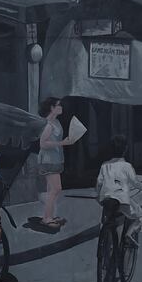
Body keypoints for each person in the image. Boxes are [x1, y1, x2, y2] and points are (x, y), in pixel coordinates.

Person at [96, 135, 142, 246]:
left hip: (106, 199)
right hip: (121, 201)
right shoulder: (127, 166)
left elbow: (99, 184)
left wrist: (98, 197)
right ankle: (128, 234)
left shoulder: (104, 165)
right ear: (125, 150)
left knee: (106, 217)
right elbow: (135, 183)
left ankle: (104, 235)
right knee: (140, 216)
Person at [37, 97, 77, 229]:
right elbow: (43, 144)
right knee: (56, 189)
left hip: (56, 159)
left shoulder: (56, 122)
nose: (61, 107)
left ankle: (49, 215)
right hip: (49, 160)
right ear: (52, 108)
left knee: (51, 189)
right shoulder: (48, 125)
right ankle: (47, 218)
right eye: (59, 105)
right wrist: (62, 143)